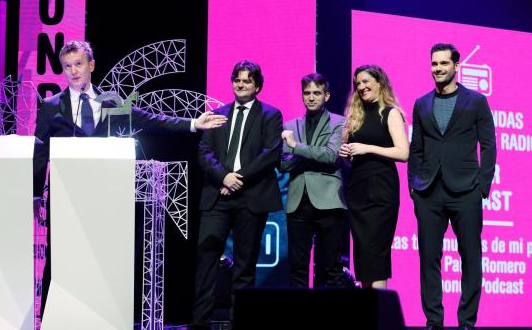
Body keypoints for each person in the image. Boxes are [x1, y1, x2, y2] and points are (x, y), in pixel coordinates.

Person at [32, 40, 227, 314]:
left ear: (91, 65)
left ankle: (101, 315)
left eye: (78, 64)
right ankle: (52, 317)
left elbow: (151, 120)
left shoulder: (111, 102)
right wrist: (36, 193)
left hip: (104, 196)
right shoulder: (52, 106)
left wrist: (193, 123)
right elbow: (40, 151)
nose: (74, 71)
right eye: (67, 67)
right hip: (65, 196)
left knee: (102, 258)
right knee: (60, 258)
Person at [408, 43, 496, 330]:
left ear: (456, 66)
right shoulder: (421, 103)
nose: (438, 68)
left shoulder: (476, 101)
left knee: (471, 257)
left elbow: (489, 146)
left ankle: (466, 322)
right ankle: (434, 321)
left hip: (466, 190)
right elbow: (416, 148)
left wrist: (482, 186)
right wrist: (413, 185)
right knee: (428, 260)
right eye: (434, 64)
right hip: (429, 191)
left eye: (443, 63)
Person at [190, 60, 283, 330]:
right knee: (206, 260)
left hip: (251, 197)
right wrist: (223, 177)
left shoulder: (270, 115)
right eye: (237, 79)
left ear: (257, 86)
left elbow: (271, 154)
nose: (241, 84)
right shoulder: (217, 114)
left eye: (247, 80)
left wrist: (236, 179)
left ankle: (238, 324)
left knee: (244, 265)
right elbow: (204, 152)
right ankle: (199, 323)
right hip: (217, 195)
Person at [338, 65, 409, 289]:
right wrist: (346, 153)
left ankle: (380, 315)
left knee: (375, 252)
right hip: (358, 189)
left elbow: (403, 152)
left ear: (380, 83)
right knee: (362, 253)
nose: (361, 87)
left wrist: (366, 148)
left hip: (381, 189)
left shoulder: (391, 112)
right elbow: (354, 154)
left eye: (366, 81)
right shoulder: (355, 116)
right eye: (358, 83)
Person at [280, 73, 348, 288]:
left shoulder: (339, 122)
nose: (311, 97)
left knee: (331, 268)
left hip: (329, 201)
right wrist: (298, 151)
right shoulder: (290, 125)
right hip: (298, 203)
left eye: (317, 93)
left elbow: (331, 155)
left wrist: (296, 147)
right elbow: (283, 164)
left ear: (326, 95)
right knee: (297, 268)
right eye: (307, 93)